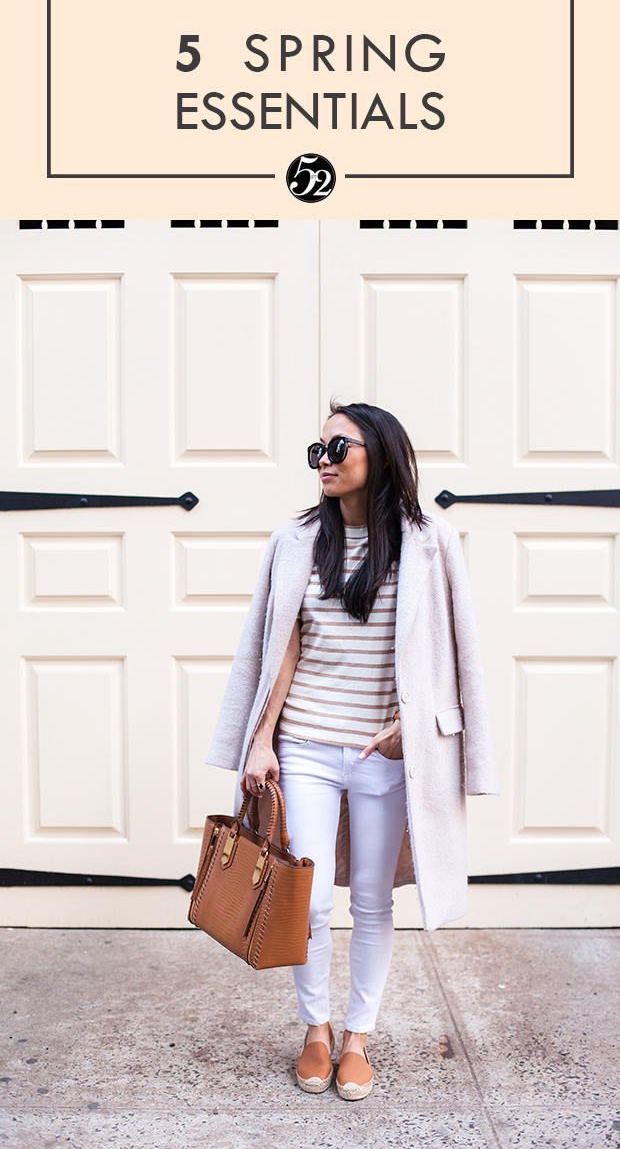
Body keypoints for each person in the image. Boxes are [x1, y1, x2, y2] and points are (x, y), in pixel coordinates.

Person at [207, 401, 499, 1101]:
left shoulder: (432, 542)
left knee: (371, 900)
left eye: (339, 448)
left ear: (382, 453)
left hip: (388, 755)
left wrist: (424, 728)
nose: (326, 462)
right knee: (303, 901)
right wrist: (260, 741)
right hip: (304, 744)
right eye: (318, 451)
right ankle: (315, 1028)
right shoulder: (296, 540)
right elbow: (281, 647)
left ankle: (357, 1039)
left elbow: (459, 651)